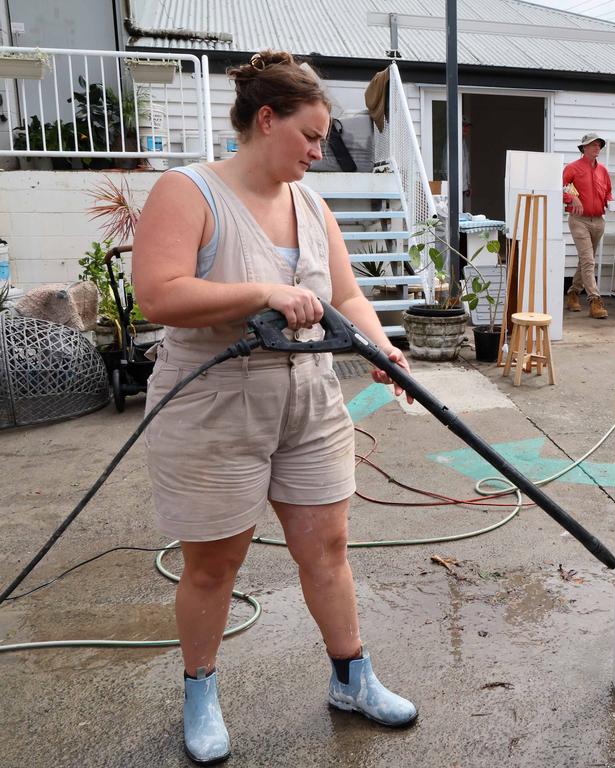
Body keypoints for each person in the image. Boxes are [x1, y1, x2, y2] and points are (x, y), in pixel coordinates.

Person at [132, 50, 417, 765]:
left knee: (327, 547)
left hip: (311, 401)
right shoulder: (188, 191)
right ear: (267, 120)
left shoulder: (313, 206)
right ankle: (199, 691)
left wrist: (384, 350)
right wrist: (262, 292)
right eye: (311, 136)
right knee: (213, 566)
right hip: (213, 407)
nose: (320, 152)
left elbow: (345, 297)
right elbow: (159, 294)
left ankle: (352, 678)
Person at [563, 132, 612, 319]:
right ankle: (595, 300)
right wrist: (571, 197)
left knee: (586, 259)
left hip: (598, 220)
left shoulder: (603, 171)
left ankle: (574, 293)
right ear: (584, 148)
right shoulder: (572, 168)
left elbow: (608, 192)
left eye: (599, 145)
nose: (597, 147)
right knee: (589, 260)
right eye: (593, 144)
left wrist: (611, 203)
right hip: (579, 220)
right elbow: (560, 187)